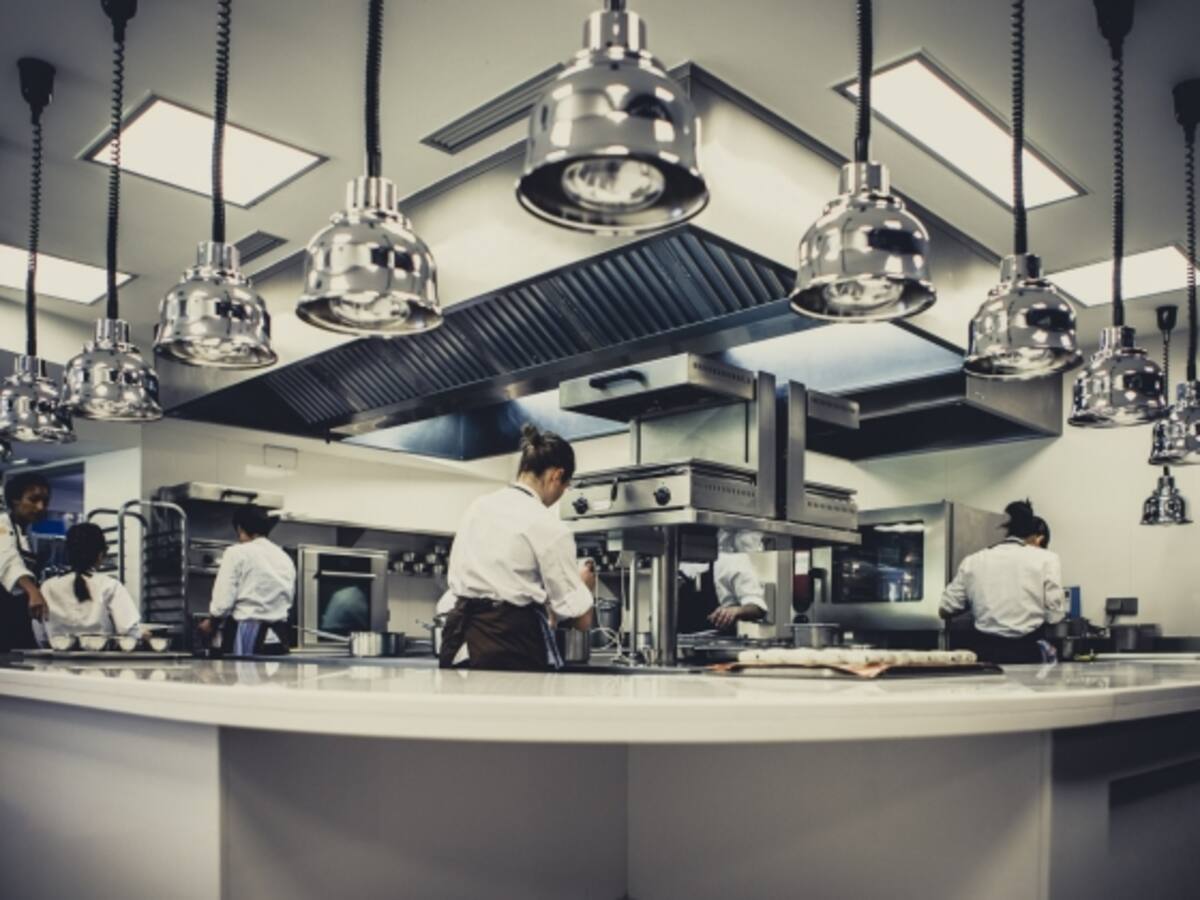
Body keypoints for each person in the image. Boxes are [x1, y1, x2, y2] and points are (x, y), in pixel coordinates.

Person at [440, 424, 595, 671]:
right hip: (506, 647)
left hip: (458, 641)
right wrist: (585, 584)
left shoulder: (478, 507)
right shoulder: (548, 525)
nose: (561, 494)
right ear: (556, 476)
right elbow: (580, 620)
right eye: (565, 487)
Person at [939, 500, 1066, 664]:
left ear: (1007, 529)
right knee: (1028, 682)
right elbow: (1055, 616)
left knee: (990, 681)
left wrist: (977, 600)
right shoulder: (1047, 559)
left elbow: (945, 609)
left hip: (985, 653)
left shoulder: (973, 561)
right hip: (1027, 653)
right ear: (1032, 532)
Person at [198, 505, 295, 656]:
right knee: (278, 672)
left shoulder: (236, 552)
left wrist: (211, 623)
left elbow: (223, 603)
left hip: (248, 631)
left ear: (240, 528)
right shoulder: (284, 557)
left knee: (242, 671)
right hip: (279, 635)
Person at [41, 523, 140, 643]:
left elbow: (40, 633)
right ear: (100, 554)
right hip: (100, 654)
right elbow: (128, 630)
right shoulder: (110, 585)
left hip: (55, 653)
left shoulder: (47, 587)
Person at [678, 529, 768, 633]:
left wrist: (735, 611)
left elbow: (757, 607)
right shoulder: (670, 562)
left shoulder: (730, 560)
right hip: (675, 640)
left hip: (716, 640)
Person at [0, 472, 51, 651]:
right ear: (15, 500)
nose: (40, 507)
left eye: (45, 501)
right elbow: (7, 559)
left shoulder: (26, 533)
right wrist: (32, 591)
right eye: (33, 500)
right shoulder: (2, 524)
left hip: (17, 614)